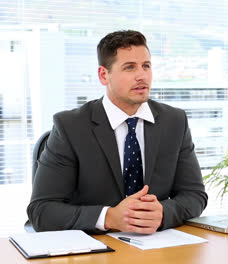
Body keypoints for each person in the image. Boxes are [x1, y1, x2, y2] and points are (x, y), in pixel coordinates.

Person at [27, 30, 208, 234]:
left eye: (146, 66)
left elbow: (194, 195)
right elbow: (41, 211)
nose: (142, 75)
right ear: (104, 75)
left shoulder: (174, 121)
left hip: (157, 246)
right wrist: (110, 217)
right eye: (129, 67)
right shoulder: (70, 126)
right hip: (96, 248)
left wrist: (163, 213)